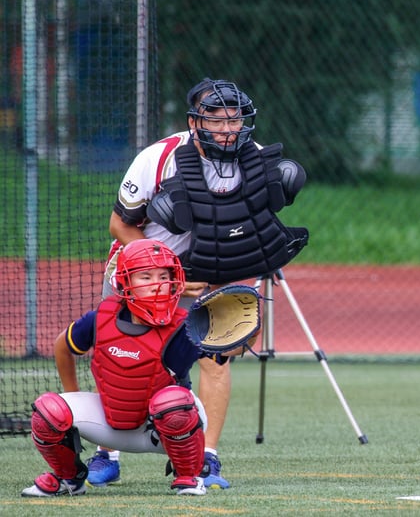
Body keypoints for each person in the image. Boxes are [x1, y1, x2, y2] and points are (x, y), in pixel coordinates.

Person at [87, 78, 308, 489]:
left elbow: (250, 224)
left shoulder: (254, 157)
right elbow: (120, 224)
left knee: (217, 357)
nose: (228, 130)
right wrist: (166, 273)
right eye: (217, 121)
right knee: (119, 358)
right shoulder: (158, 158)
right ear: (194, 122)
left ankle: (206, 457)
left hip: (209, 273)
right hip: (143, 273)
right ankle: (107, 453)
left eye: (234, 120)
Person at [22, 239, 214, 497]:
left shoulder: (185, 326)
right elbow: (62, 346)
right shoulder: (102, 318)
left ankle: (189, 475)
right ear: (125, 282)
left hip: (167, 429)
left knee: (172, 402)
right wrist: (71, 393)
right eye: (146, 276)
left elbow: (225, 353)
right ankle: (69, 479)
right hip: (110, 425)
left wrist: (237, 332)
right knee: (48, 411)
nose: (157, 284)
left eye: (164, 276)